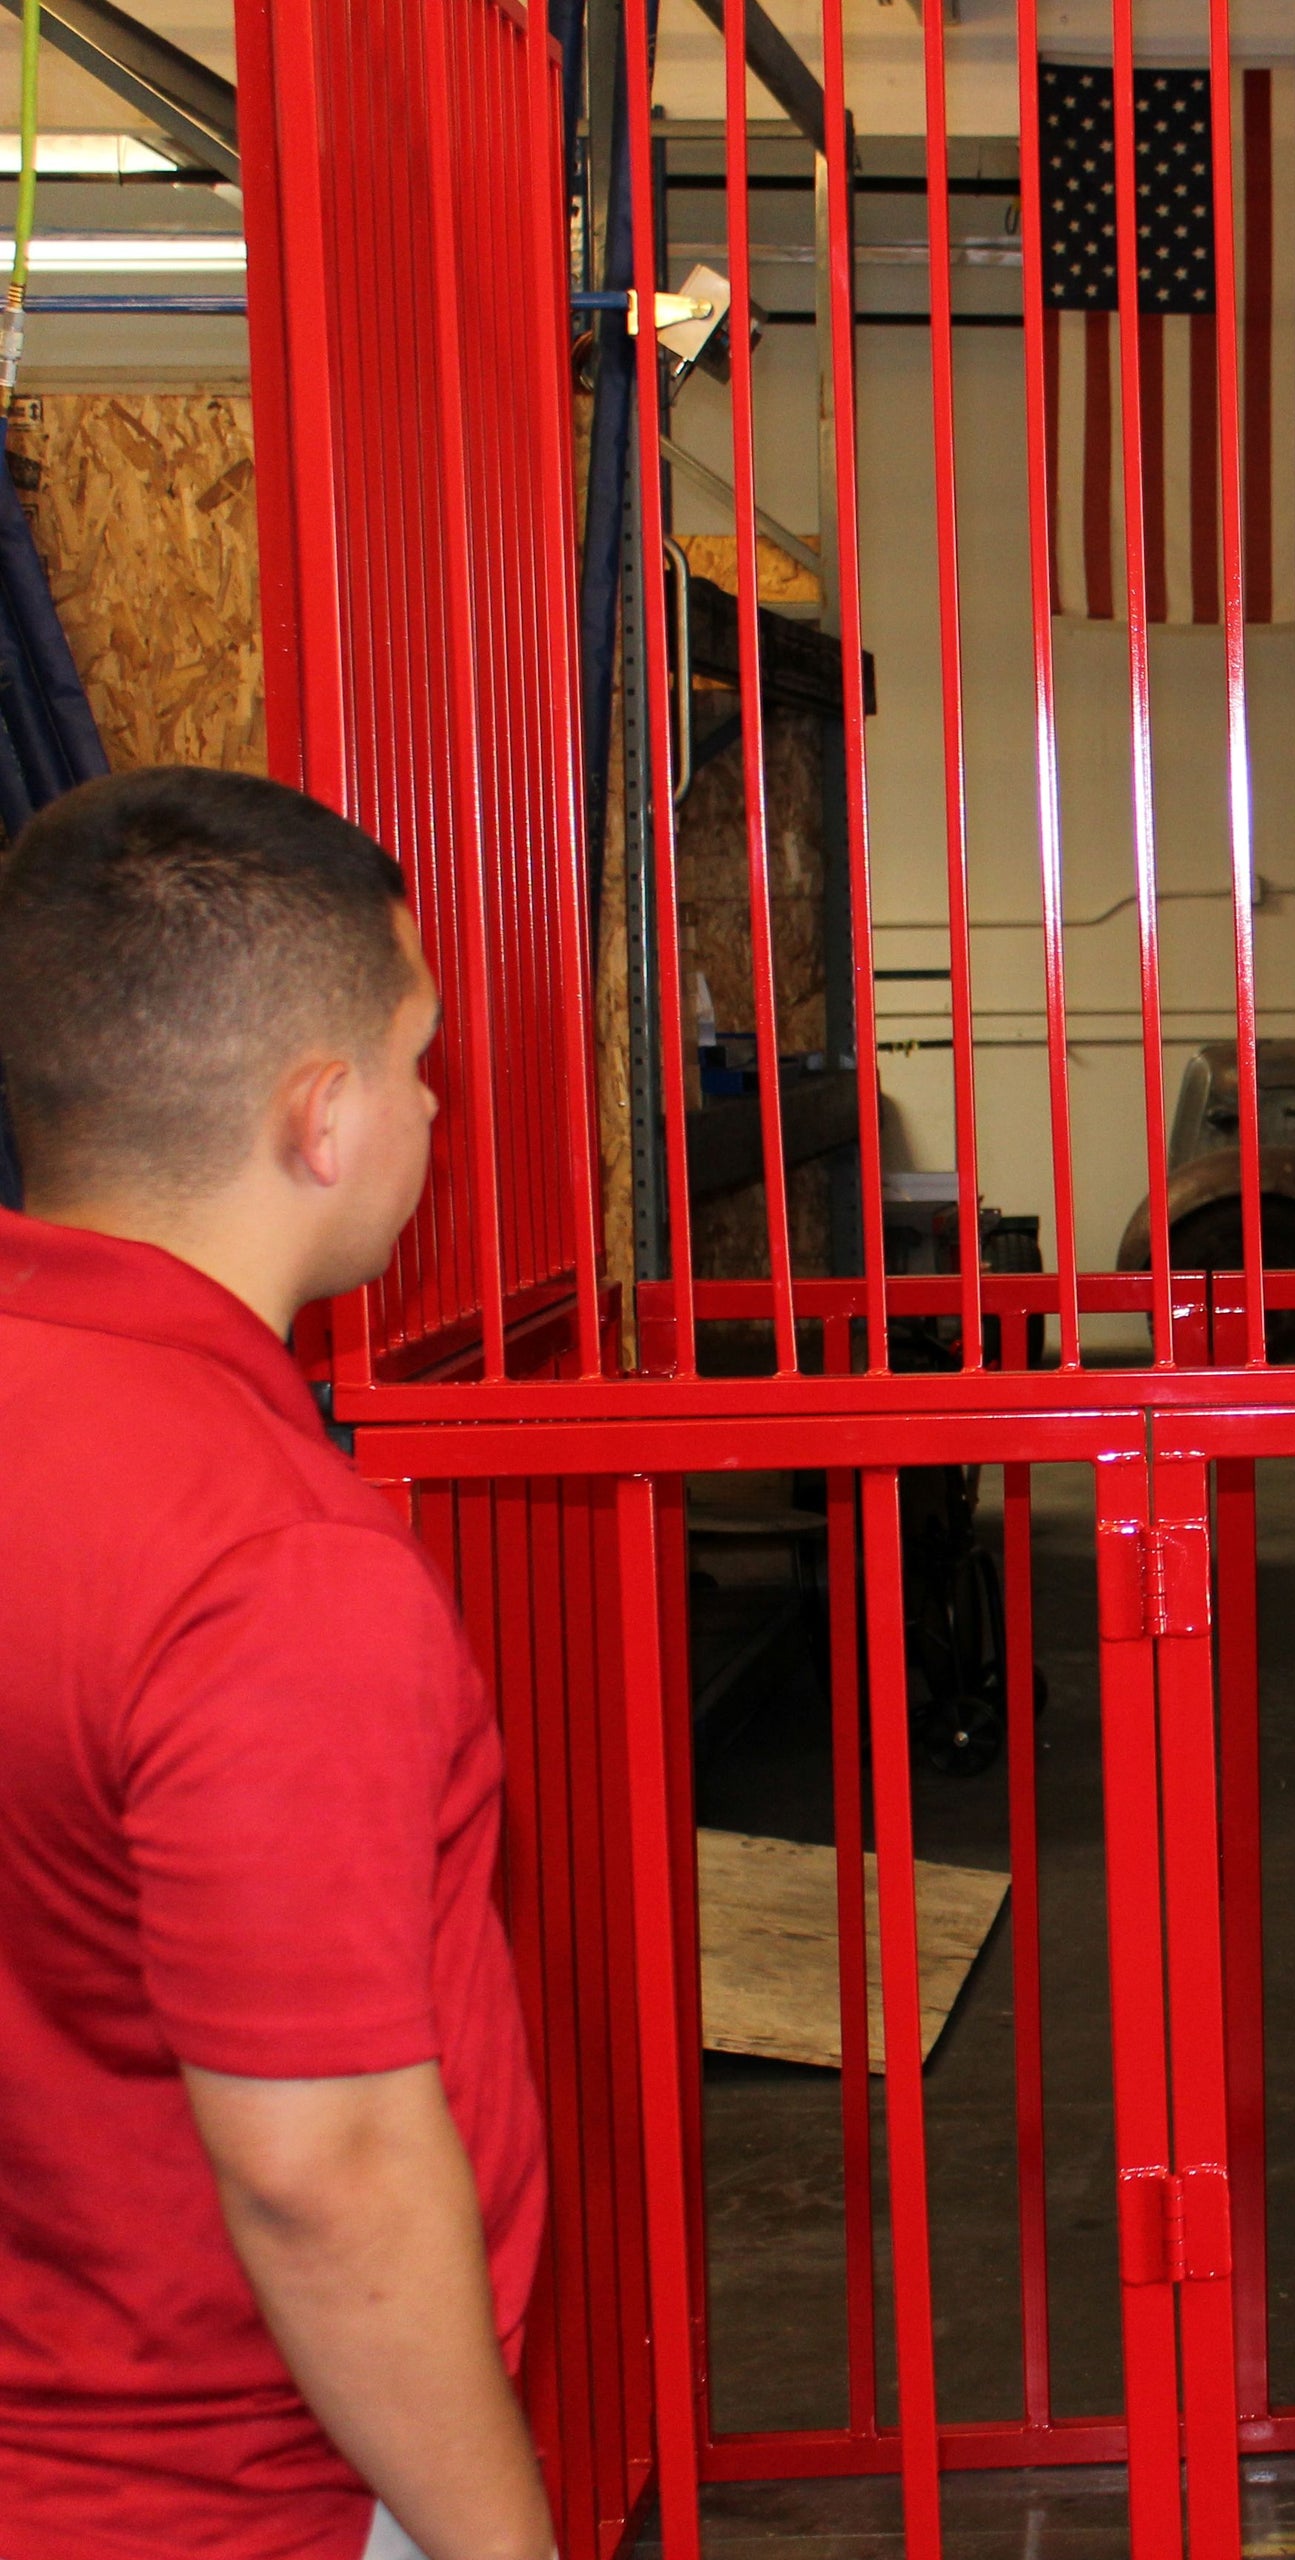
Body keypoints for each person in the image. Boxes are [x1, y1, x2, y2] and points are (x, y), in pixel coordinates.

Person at [0, 769, 552, 2560]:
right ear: (323, 1117)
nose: (432, 1104)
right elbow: (324, 2173)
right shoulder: (269, 1562)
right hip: (225, 2496)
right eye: (414, 1057)